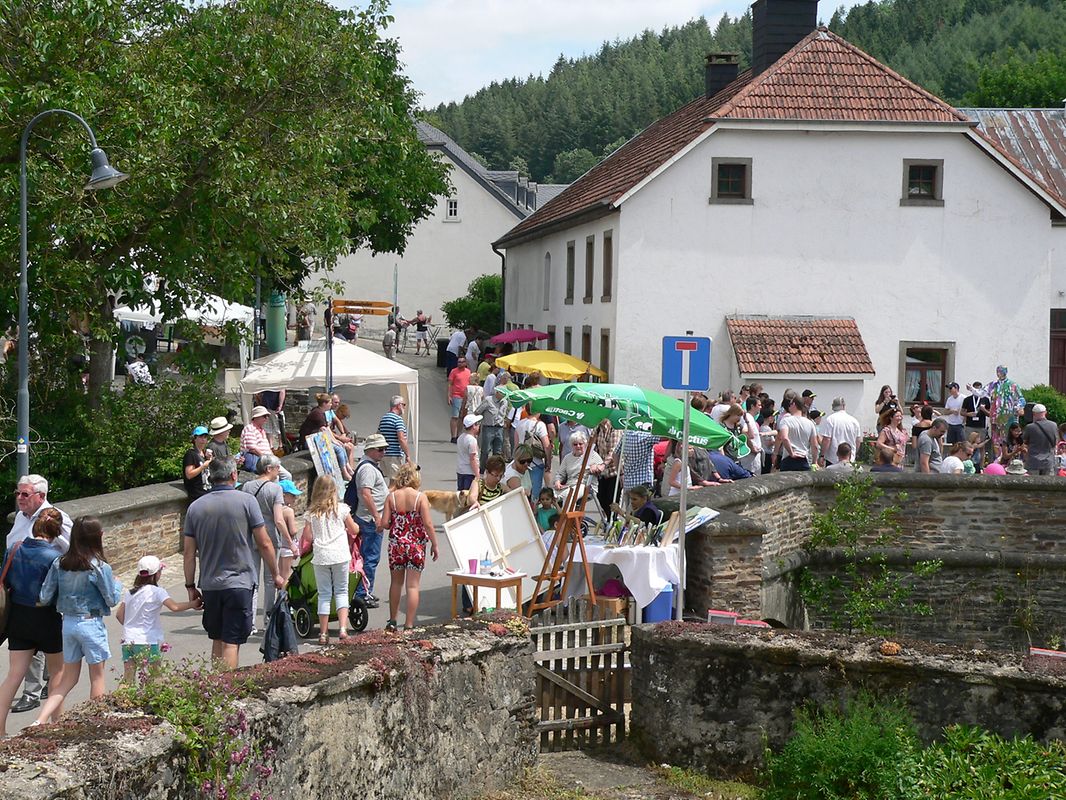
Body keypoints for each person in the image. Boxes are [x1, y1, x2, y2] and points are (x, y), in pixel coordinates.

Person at [183, 456, 284, 670]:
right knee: (232, 641)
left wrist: (190, 586)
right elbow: (264, 543)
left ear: (210, 477)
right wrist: (275, 574)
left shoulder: (195, 507)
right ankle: (228, 692)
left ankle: (216, 690)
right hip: (240, 582)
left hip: (210, 583)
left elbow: (189, 554)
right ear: (233, 475)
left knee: (217, 638)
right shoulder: (247, 502)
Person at [34, 516, 123, 724]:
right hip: (90, 623)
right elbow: (111, 599)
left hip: (68, 624)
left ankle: (40, 720)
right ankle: (96, 722)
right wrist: (117, 584)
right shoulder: (99, 566)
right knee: (97, 678)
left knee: (67, 680)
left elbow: (45, 597)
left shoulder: (59, 562)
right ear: (97, 537)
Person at [7, 475, 72, 714]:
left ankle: (44, 704)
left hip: (47, 600)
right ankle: (32, 693)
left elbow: (71, 551)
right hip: (21, 595)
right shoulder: (21, 518)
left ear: (41, 496)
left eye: (25, 494)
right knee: (32, 658)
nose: (20, 498)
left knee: (53, 665)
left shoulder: (57, 518)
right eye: (18, 493)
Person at [0, 509, 65, 734]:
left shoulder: (14, 548)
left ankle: (0, 730)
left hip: (18, 615)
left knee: (14, 675)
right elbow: (57, 594)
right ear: (56, 532)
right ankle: (55, 725)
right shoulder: (55, 557)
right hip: (46, 617)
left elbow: (5, 579)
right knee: (57, 672)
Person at [116, 555, 200, 683]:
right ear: (155, 574)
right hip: (147, 640)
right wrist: (192, 604)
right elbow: (175, 607)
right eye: (160, 571)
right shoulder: (157, 591)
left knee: (128, 679)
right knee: (155, 677)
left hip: (128, 640)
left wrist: (131, 626)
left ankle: (122, 701)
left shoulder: (131, 592)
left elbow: (119, 615)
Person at [239, 454, 296, 630]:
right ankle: (268, 621)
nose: (279, 470)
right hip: (270, 537)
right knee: (272, 579)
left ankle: (249, 622)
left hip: (251, 537)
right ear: (269, 469)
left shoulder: (247, 486)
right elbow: (279, 519)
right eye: (277, 467)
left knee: (252, 580)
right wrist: (290, 541)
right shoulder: (275, 489)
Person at [382, 463, 438, 632]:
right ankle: (409, 624)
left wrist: (395, 522)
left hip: (396, 545)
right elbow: (428, 524)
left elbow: (384, 523)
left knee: (396, 583)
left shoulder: (391, 497)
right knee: (412, 586)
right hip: (415, 545)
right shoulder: (420, 497)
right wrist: (434, 544)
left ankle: (392, 621)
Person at [300, 478, 357, 644]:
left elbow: (308, 537)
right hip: (340, 554)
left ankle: (323, 633)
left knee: (324, 594)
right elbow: (353, 529)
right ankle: (343, 629)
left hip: (321, 555)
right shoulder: (342, 509)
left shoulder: (311, 513)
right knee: (341, 591)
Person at [343, 433, 389, 609]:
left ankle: (364, 590)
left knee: (367, 556)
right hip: (369, 519)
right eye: (380, 449)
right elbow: (365, 493)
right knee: (369, 557)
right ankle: (362, 593)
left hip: (368, 518)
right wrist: (377, 517)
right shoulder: (368, 469)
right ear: (370, 450)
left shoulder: (369, 466)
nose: (383, 452)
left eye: (384, 449)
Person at [553, 431, 604, 506]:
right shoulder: (567, 457)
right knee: (550, 496)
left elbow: (602, 468)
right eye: (575, 444)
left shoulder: (592, 455)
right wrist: (557, 481)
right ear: (571, 446)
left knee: (569, 496)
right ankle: (554, 516)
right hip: (569, 485)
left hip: (586, 485)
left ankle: (566, 517)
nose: (578, 446)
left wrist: (596, 467)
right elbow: (560, 474)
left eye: (580, 444)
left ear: (585, 444)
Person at [514, 408, 552, 499]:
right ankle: (533, 510)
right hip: (536, 462)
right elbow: (547, 446)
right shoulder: (540, 425)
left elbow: (516, 445)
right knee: (535, 492)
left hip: (521, 461)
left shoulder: (520, 423)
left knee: (524, 491)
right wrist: (548, 462)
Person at [774, 395, 819, 471]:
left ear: (794, 404)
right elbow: (815, 445)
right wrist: (814, 462)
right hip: (803, 459)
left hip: (788, 459)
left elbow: (784, 438)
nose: (789, 406)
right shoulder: (810, 423)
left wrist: (791, 453)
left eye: (790, 404)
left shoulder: (786, 420)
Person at [988, 365, 1025, 457]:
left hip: (1009, 417)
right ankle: (998, 458)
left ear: (1005, 372)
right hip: (995, 418)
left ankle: (1011, 456)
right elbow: (982, 392)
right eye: (997, 371)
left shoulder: (1013, 385)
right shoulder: (993, 384)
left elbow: (1021, 399)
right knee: (996, 439)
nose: (998, 374)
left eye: (1001, 371)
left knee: (1009, 438)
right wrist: (973, 390)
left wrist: (1018, 407)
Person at [819, 398, 862, 468]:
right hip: (849, 459)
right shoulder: (854, 421)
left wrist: (822, 455)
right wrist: (853, 453)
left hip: (832, 458)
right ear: (844, 406)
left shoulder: (830, 419)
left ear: (833, 407)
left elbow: (827, 439)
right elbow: (858, 441)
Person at [593, 420, 623, 519]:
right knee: (600, 497)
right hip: (602, 472)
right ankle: (611, 520)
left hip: (615, 471)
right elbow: (593, 447)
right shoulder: (598, 428)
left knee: (612, 500)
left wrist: (603, 464)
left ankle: (613, 522)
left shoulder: (615, 429)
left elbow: (613, 451)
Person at [378, 395, 412, 482]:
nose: (404, 407)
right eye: (403, 405)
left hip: (384, 454)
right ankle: (387, 496)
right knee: (395, 482)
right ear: (398, 405)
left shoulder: (384, 418)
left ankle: (387, 495)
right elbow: (401, 439)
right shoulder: (398, 420)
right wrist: (407, 455)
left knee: (391, 481)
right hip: (394, 455)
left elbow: (379, 435)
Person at [1023, 403, 1058, 476]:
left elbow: (1025, 442)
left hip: (1033, 462)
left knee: (1033, 486)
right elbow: (1055, 442)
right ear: (1045, 412)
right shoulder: (1053, 425)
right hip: (1048, 462)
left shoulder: (1030, 427)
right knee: (1048, 485)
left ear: (1034, 414)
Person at [962, 384, 991, 470]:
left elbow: (990, 414)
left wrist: (983, 410)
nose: (977, 390)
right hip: (970, 426)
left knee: (981, 447)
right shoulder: (967, 399)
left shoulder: (985, 399)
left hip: (981, 426)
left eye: (979, 389)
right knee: (968, 445)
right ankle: (967, 464)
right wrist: (968, 414)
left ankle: (981, 467)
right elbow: (962, 412)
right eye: (975, 388)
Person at [475, 383, 507, 458]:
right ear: (497, 392)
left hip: (499, 428)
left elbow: (504, 414)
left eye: (505, 393)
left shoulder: (504, 402)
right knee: (485, 450)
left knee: (498, 451)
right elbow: (477, 412)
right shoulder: (488, 400)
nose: (503, 395)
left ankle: (494, 468)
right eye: (502, 393)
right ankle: (482, 469)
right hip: (489, 428)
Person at [183, 426, 214, 501]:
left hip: (209, 491)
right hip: (197, 494)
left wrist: (210, 459)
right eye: (200, 437)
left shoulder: (205, 453)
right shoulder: (190, 454)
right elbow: (189, 475)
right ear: (195, 438)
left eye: (205, 437)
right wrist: (203, 466)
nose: (203, 439)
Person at [447, 356, 472, 443]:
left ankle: (459, 435)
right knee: (455, 416)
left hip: (465, 397)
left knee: (462, 417)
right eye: (459, 362)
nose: (460, 363)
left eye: (462, 362)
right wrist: (449, 396)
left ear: (465, 363)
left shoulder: (468, 372)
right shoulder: (454, 371)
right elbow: (450, 384)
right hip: (456, 396)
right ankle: (453, 436)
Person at [457, 413, 482, 491]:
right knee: (468, 494)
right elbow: (473, 459)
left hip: (460, 470)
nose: (479, 426)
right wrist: (477, 475)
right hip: (469, 472)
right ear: (473, 426)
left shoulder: (461, 437)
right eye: (477, 424)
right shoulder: (472, 440)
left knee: (461, 493)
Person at [740, 396, 763, 476]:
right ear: (752, 406)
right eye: (759, 405)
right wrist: (753, 448)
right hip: (750, 457)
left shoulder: (751, 418)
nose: (761, 407)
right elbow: (744, 433)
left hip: (753, 456)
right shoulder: (748, 418)